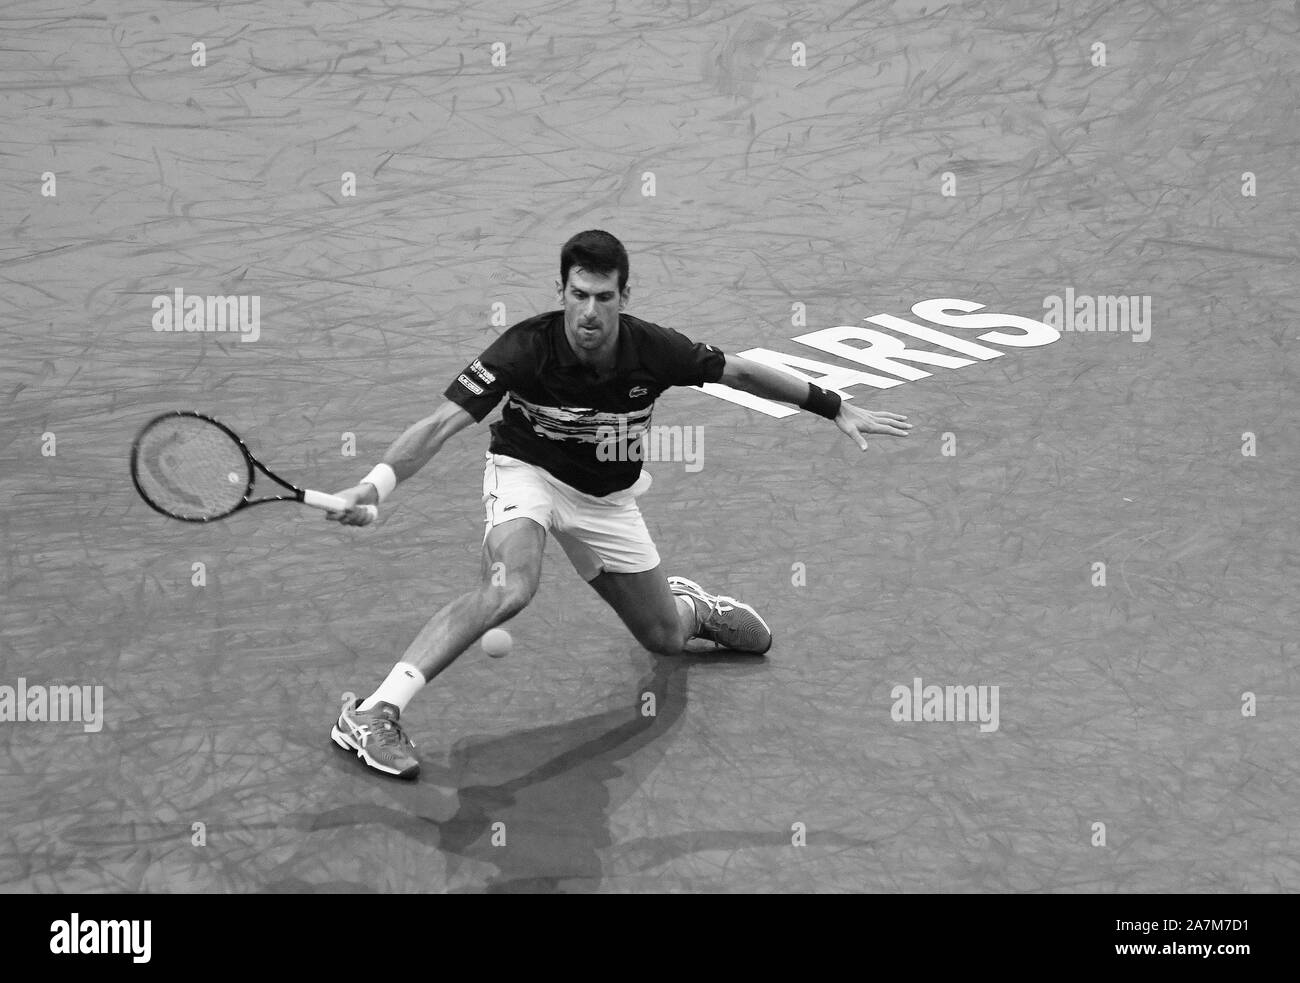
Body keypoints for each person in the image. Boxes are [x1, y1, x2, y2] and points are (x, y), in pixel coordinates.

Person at [326, 230, 911, 778]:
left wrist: (831, 404)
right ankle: (374, 711)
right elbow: (439, 424)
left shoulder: (653, 349)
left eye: (604, 297)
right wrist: (372, 487)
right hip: (526, 474)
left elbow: (738, 371)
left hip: (606, 502)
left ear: (623, 296)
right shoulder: (524, 349)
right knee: (510, 587)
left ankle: (691, 608)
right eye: (578, 295)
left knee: (665, 639)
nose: (588, 312)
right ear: (560, 292)